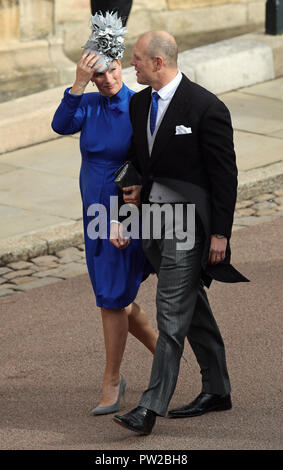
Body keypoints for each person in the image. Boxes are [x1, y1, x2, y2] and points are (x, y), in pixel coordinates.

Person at [110, 31, 249, 434]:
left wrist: (221, 234)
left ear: (158, 62)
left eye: (136, 59)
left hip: (190, 228)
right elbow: (137, 161)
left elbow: (225, 177)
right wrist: (124, 210)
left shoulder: (207, 107)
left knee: (170, 312)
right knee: (191, 304)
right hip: (153, 225)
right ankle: (218, 388)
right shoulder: (139, 104)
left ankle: (149, 408)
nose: (130, 64)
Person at [51, 13, 157, 416]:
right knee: (119, 297)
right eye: (99, 75)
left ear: (122, 66)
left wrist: (127, 220)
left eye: (112, 70)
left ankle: (112, 381)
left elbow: (146, 166)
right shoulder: (89, 103)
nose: (108, 79)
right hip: (92, 212)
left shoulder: (139, 106)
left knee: (112, 299)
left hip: (121, 213)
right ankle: (167, 353)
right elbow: (60, 124)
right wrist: (78, 83)